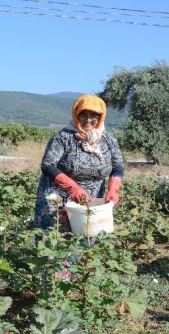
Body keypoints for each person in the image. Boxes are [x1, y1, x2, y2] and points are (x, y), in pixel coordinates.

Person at [34, 94, 124, 231]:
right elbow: (48, 165)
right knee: (56, 240)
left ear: (101, 117)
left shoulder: (108, 140)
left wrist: (113, 189)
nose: (89, 120)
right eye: (83, 114)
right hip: (58, 199)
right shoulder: (63, 138)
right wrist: (73, 188)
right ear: (76, 115)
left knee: (88, 235)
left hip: (93, 199)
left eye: (94, 115)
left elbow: (117, 167)